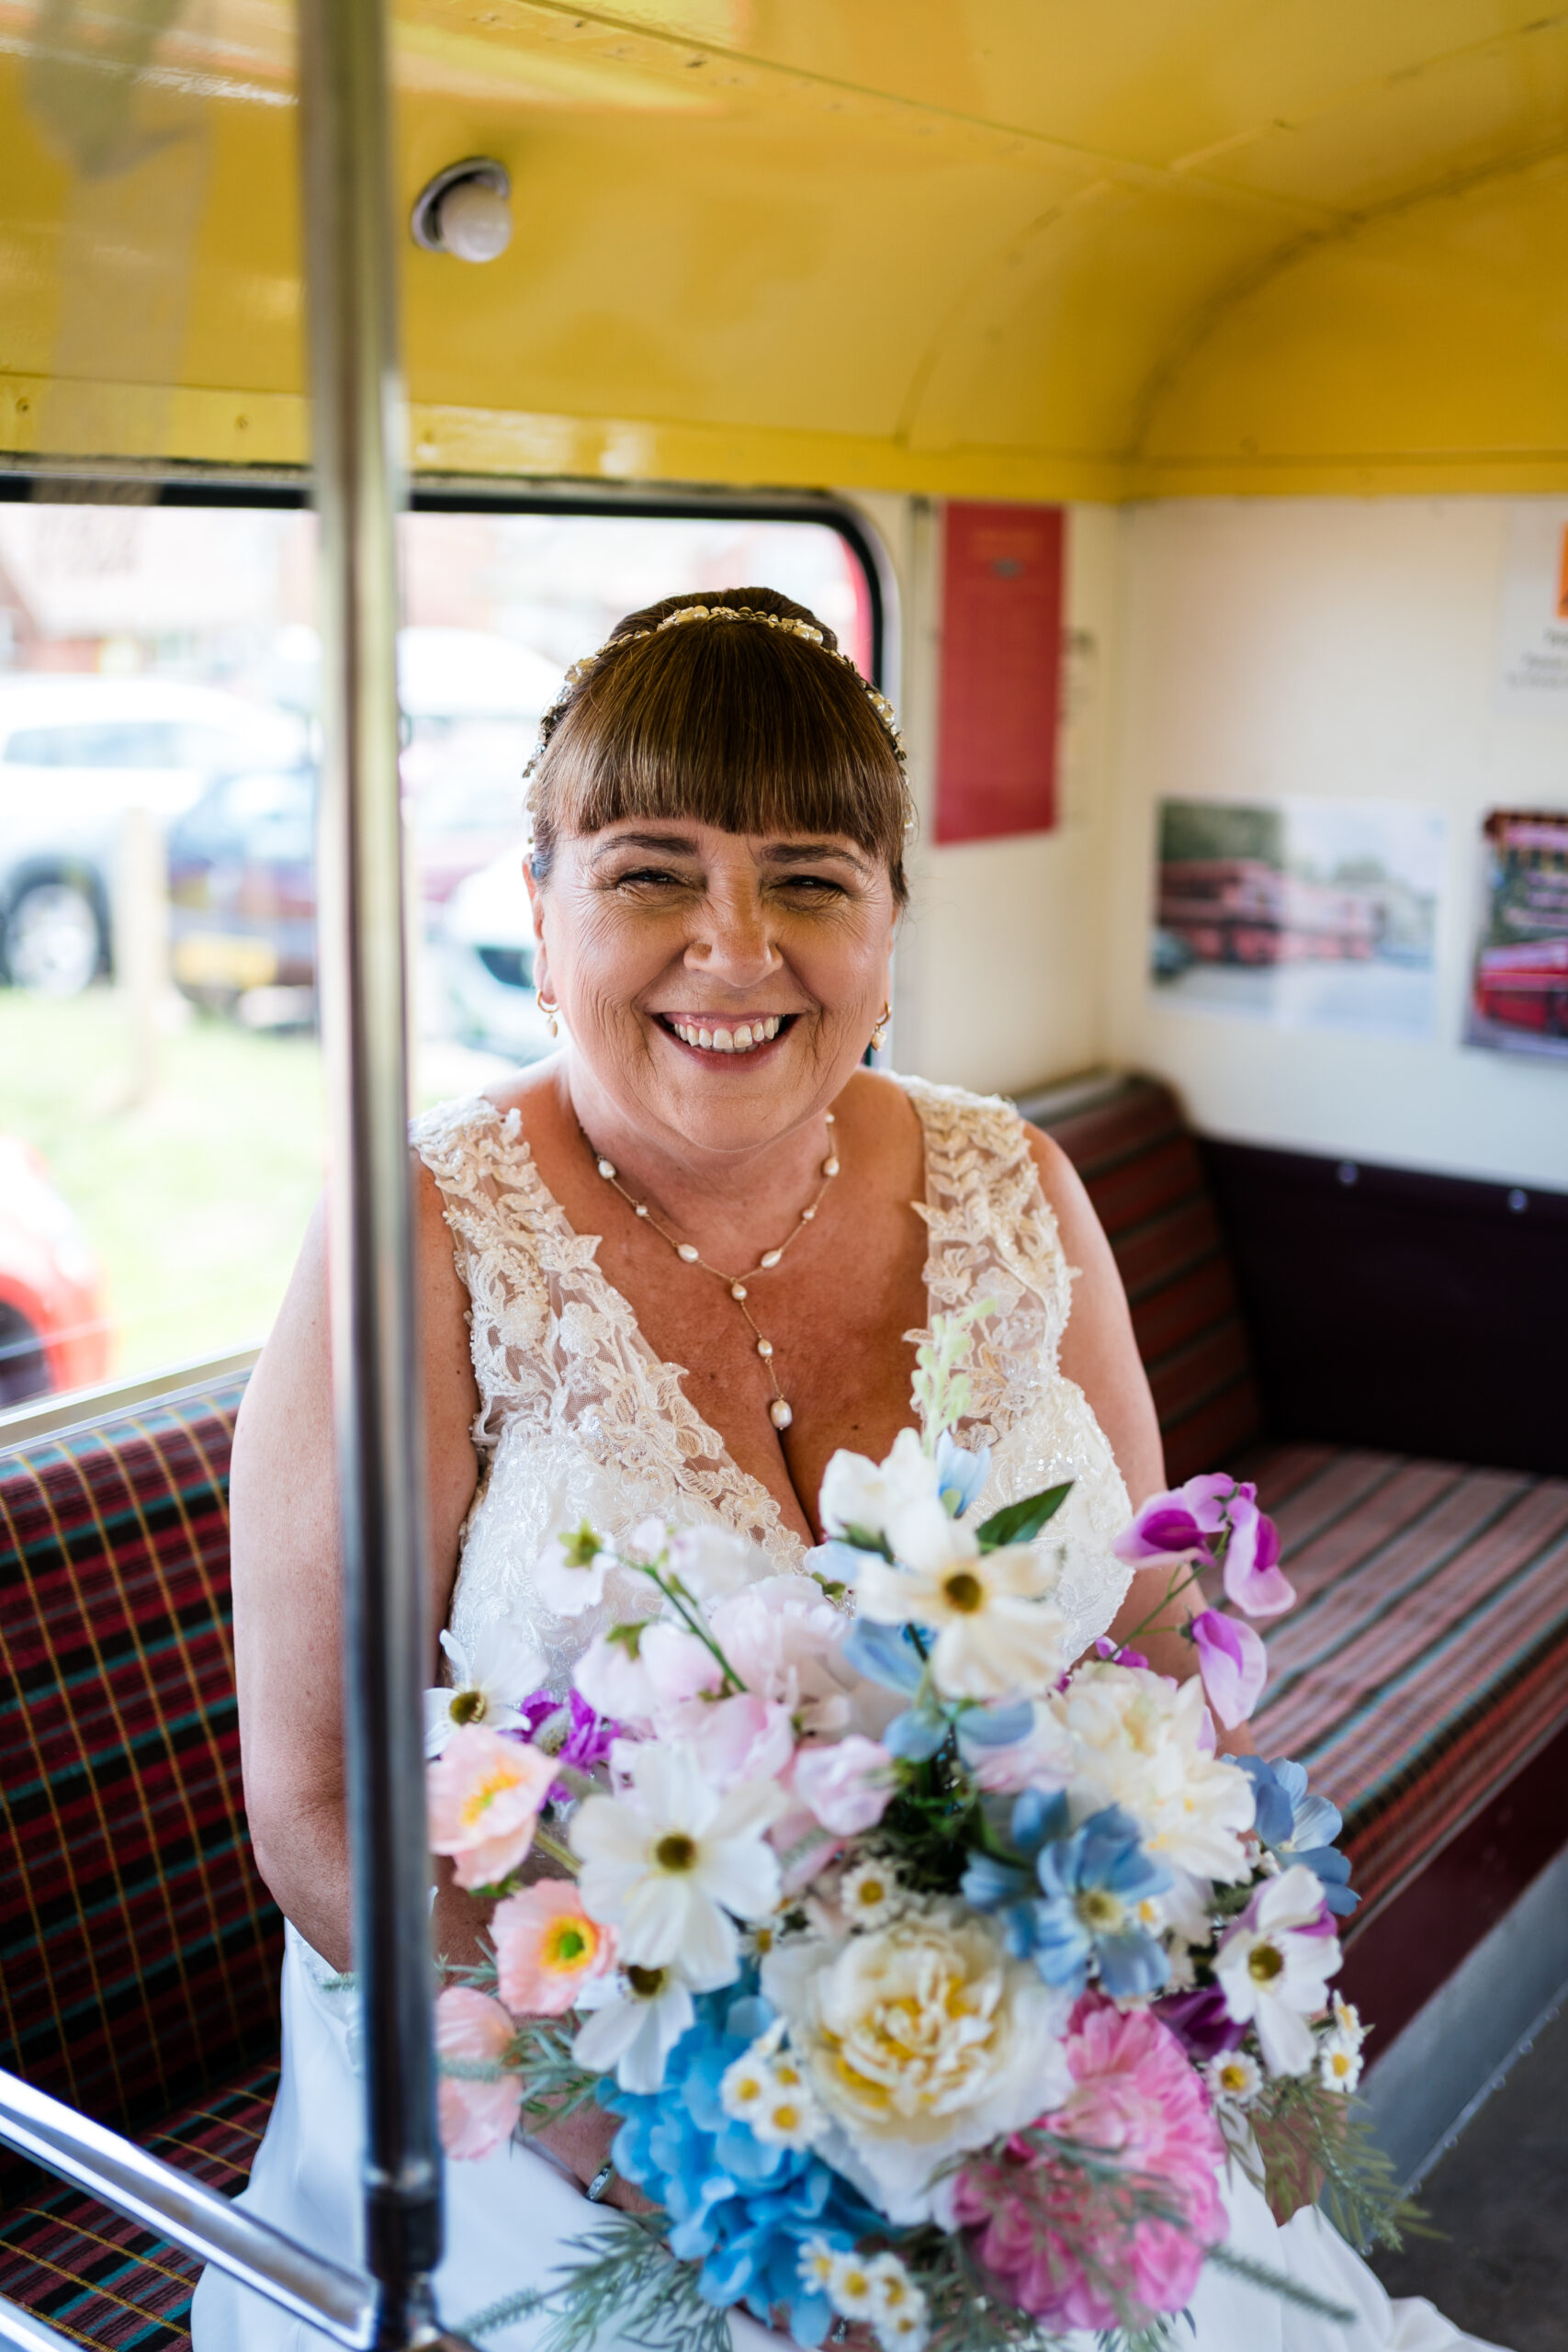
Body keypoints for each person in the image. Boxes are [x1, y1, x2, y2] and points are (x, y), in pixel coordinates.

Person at [194, 588, 1502, 2352]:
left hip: (1012, 2066)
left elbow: (1158, 1630)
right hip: (536, 2100)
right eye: (652, 872)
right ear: (537, 911)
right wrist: (693, 2152)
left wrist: (1107, 2013)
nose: (735, 953)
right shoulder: (419, 1232)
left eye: (809, 879)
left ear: (889, 929)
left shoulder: (1013, 1182)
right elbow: (327, 1807)